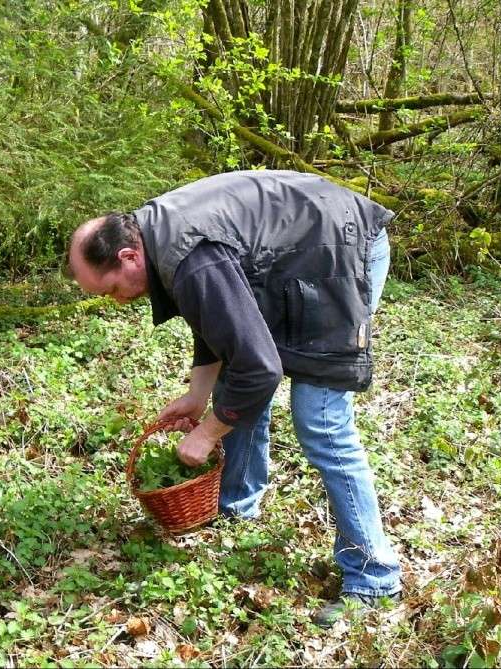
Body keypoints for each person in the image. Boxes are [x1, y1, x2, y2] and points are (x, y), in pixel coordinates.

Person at [66, 170, 402, 627]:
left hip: (342, 253)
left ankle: (373, 577)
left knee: (320, 420)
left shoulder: (187, 254)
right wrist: (198, 394)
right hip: (300, 260)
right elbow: (221, 324)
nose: (117, 301)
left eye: (110, 290)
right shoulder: (160, 237)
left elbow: (258, 368)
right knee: (236, 389)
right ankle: (238, 506)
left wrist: (207, 433)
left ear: (127, 256)